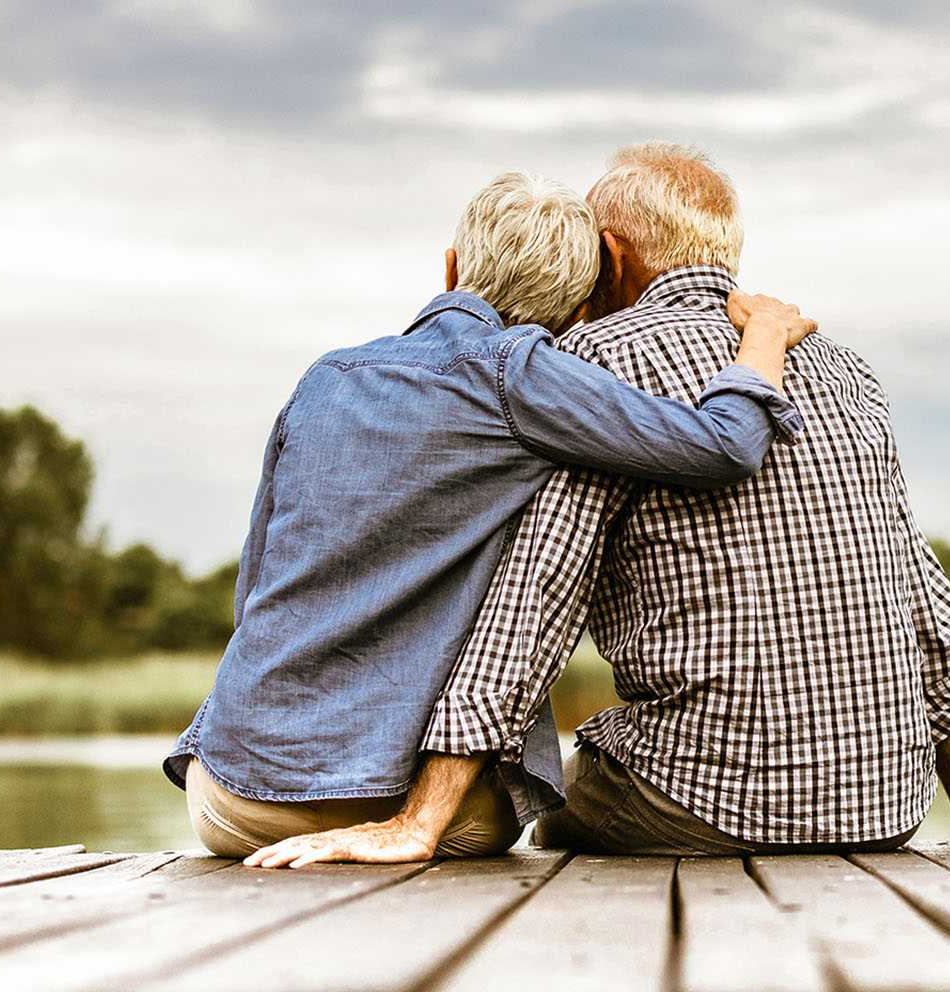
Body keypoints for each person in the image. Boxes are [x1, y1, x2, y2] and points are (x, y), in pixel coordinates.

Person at [246, 144, 950, 868]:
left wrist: (418, 821)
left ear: (608, 256)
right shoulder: (842, 368)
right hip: (885, 810)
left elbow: (534, 601)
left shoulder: (589, 363)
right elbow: (929, 604)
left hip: (699, 801)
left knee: (546, 794)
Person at [163, 169, 815, 859]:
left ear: (450, 268)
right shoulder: (526, 376)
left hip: (234, 796)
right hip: (406, 803)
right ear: (576, 314)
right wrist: (764, 339)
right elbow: (723, 446)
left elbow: (255, 590)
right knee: (526, 814)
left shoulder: (326, 377)